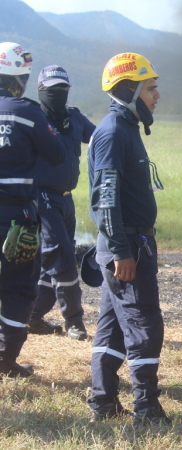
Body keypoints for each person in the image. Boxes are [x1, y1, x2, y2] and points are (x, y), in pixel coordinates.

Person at [86, 52, 171, 427]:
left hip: (130, 245)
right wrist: (121, 250)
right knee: (143, 326)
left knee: (113, 325)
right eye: (151, 88)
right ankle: (147, 411)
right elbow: (105, 200)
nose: (157, 95)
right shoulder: (112, 132)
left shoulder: (126, 128)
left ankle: (103, 401)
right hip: (126, 248)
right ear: (130, 89)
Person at [0, 42, 65, 378]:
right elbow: (56, 153)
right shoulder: (26, 111)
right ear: (20, 77)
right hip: (16, 216)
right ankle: (5, 357)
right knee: (20, 285)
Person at [27, 65, 96, 341]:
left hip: (66, 199)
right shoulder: (33, 118)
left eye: (63, 89)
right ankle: (74, 321)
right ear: (41, 90)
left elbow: (99, 138)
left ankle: (32, 315)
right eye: (52, 90)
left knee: (50, 264)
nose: (58, 94)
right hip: (41, 198)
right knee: (65, 259)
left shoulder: (74, 118)